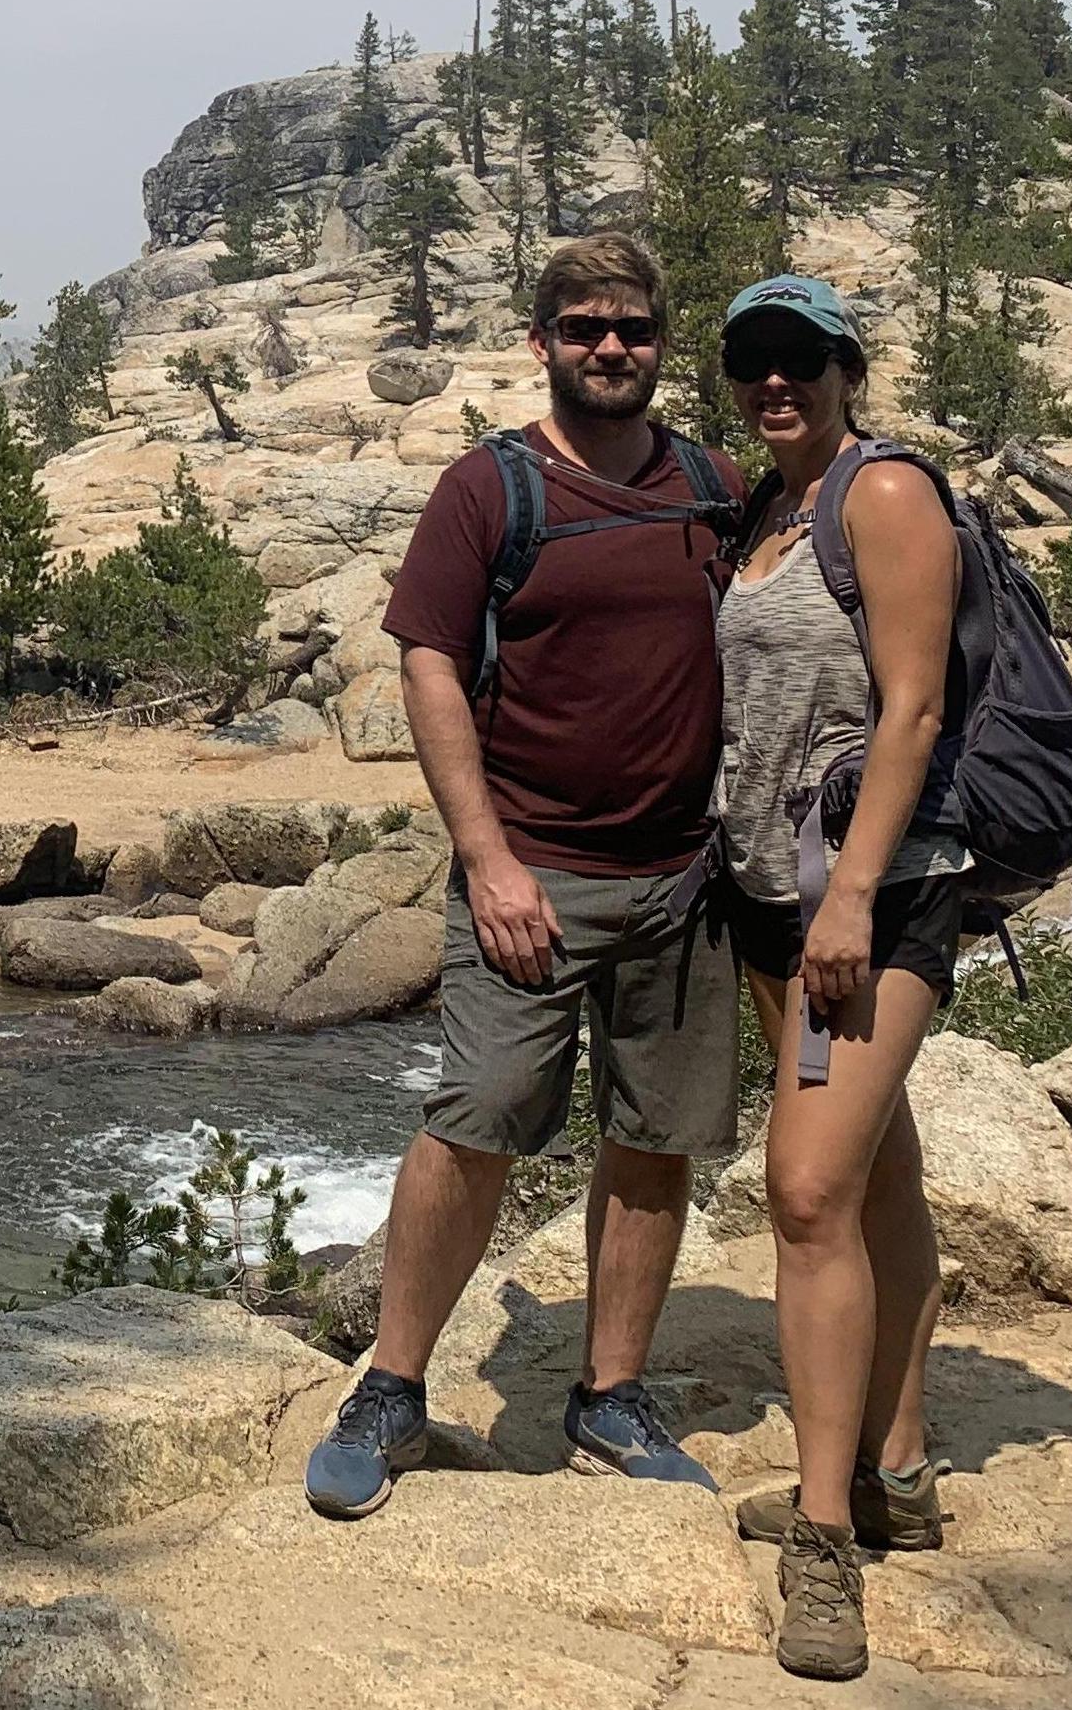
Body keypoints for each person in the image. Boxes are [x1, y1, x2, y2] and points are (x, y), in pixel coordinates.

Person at [306, 232, 741, 1521]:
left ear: (661, 344)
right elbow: (429, 663)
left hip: (683, 878)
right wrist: (487, 860)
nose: (611, 347)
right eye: (584, 327)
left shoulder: (713, 488)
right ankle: (391, 1387)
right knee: (477, 1118)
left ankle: (610, 1395)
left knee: (655, 1139)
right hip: (533, 876)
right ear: (542, 344)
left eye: (633, 328)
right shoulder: (489, 491)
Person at [709, 275, 967, 1682]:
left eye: (800, 359)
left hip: (870, 897)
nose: (775, 382)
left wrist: (856, 895)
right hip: (767, 896)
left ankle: (825, 1540)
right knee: (876, 1180)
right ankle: (897, 1470)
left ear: (846, 368)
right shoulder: (760, 509)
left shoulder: (883, 496)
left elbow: (914, 703)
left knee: (805, 1193)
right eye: (752, 360)